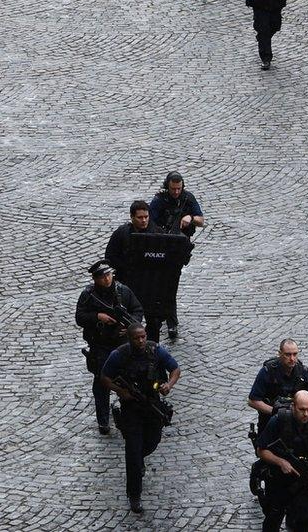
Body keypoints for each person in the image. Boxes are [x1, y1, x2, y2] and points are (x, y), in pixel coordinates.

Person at [101, 323, 180, 515]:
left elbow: (175, 368)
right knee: (133, 453)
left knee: (153, 441)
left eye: (143, 336)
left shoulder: (155, 350)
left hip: (152, 406)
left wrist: (168, 385)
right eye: (137, 338)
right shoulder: (119, 355)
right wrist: (121, 391)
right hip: (131, 410)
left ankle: (139, 459)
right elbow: (104, 377)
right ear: (130, 339)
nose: (141, 340)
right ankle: (134, 494)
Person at [75, 260, 144, 435]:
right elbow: (80, 317)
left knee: (128, 380)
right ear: (95, 279)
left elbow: (137, 310)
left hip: (122, 345)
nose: (107, 279)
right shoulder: (88, 295)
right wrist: (98, 317)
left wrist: (129, 328)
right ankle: (103, 420)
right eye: (102, 277)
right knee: (101, 382)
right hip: (100, 345)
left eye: (109, 275)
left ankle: (129, 416)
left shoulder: (123, 291)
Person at [258, 391, 308, 532]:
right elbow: (262, 450)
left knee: (304, 523)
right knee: (273, 520)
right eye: (302, 410)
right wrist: (280, 462)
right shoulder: (278, 420)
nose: (306, 414)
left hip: (304, 484)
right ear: (293, 406)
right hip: (279, 481)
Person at [148, 172, 204, 340]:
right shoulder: (159, 200)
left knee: (171, 283)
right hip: (160, 245)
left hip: (178, 248)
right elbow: (149, 221)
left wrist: (190, 218)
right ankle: (160, 316)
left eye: (179, 188)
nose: (176, 192)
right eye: (173, 189)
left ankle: (171, 321)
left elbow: (201, 220)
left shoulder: (187, 198)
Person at [105, 200, 166, 342]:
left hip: (151, 286)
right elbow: (110, 257)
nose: (144, 220)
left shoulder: (157, 233)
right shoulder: (122, 233)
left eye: (146, 216)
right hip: (128, 284)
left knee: (154, 321)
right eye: (140, 217)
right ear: (132, 217)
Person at [249, 340, 308, 424]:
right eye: (287, 355)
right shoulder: (267, 372)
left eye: (295, 354)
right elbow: (253, 401)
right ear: (280, 354)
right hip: (270, 421)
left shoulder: (303, 371)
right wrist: (276, 412)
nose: (292, 359)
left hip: (297, 421)